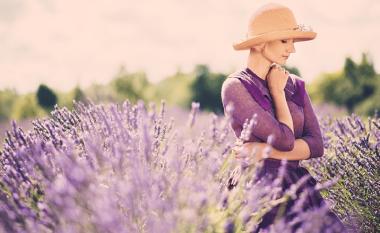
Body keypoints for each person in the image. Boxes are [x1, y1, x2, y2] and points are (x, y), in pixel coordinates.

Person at [221, 3, 347, 232]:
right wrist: (277, 93)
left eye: (293, 41)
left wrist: (263, 151)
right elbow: (285, 139)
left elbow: (317, 145)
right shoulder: (236, 86)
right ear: (261, 42)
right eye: (284, 40)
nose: (292, 49)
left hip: (296, 186)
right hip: (256, 189)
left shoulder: (296, 85)